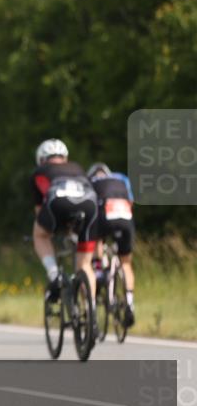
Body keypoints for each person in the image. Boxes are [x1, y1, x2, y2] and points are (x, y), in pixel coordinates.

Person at [30, 139, 98, 304]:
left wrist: (51, 230)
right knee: (85, 264)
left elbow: (40, 211)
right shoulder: (77, 167)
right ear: (65, 157)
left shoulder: (40, 171)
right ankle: (91, 312)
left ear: (41, 159)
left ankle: (53, 274)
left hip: (58, 202)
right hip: (90, 205)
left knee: (39, 234)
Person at [87, 162, 136, 328]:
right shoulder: (121, 178)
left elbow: (89, 208)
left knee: (97, 239)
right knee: (126, 263)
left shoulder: (90, 182)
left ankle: (99, 270)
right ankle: (129, 302)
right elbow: (131, 201)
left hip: (104, 215)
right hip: (125, 216)